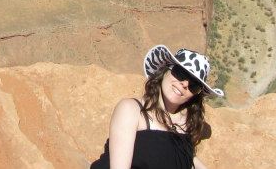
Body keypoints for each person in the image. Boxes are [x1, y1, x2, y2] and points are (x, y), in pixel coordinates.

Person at [90, 45, 225, 169]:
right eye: (181, 73)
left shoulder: (184, 127)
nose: (184, 84)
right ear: (165, 70)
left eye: (194, 85)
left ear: (195, 95)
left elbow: (183, 156)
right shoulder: (131, 110)